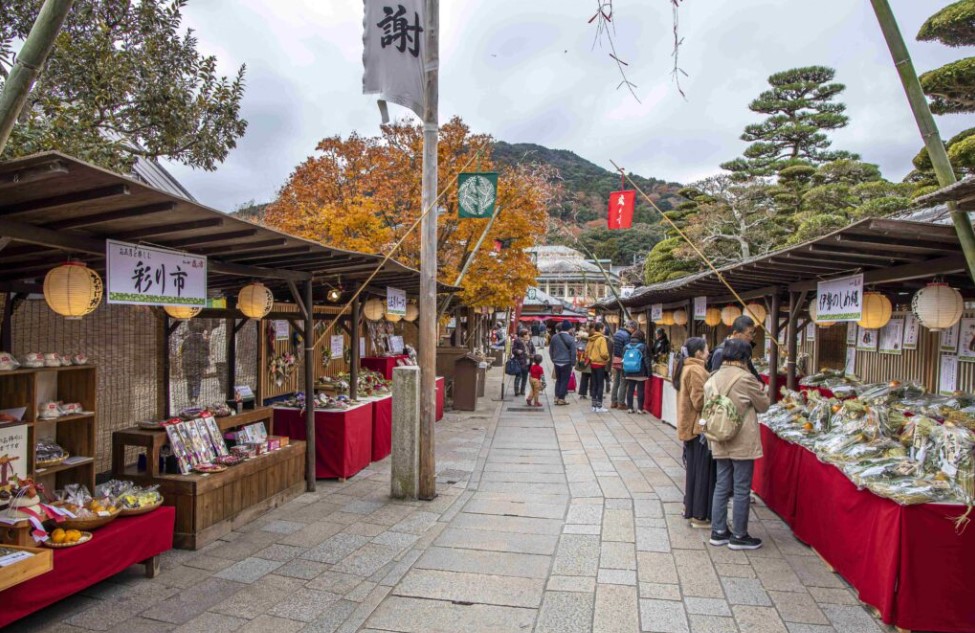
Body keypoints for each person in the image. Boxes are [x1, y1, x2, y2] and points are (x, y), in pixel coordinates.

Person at [705, 338, 770, 550]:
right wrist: (763, 390)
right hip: (741, 439)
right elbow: (764, 405)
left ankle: (719, 531)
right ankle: (739, 535)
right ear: (744, 358)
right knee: (741, 488)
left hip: (718, 436)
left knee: (722, 485)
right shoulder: (746, 379)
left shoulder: (713, 378)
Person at [674, 337, 714, 529]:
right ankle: (698, 514)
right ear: (698, 353)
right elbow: (699, 402)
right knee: (700, 472)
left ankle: (690, 508)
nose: (708, 352)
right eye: (706, 350)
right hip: (696, 427)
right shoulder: (696, 370)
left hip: (690, 426)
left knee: (693, 471)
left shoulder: (688, 367)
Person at [708, 315, 762, 380]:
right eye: (749, 334)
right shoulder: (720, 352)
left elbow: (752, 371)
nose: (751, 338)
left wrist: (760, 382)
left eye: (752, 334)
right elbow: (716, 380)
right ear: (735, 333)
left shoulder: (743, 350)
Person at [622, 330, 652, 413]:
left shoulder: (626, 346)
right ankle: (640, 409)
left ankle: (630, 408)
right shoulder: (643, 346)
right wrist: (649, 373)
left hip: (629, 371)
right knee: (640, 390)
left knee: (630, 390)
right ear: (641, 337)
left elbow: (623, 361)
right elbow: (647, 360)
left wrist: (623, 373)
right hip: (640, 372)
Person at [181, 321, 210, 405]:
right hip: (198, 363)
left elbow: (182, 350)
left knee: (189, 381)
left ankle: (190, 398)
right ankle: (195, 397)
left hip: (187, 363)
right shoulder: (204, 341)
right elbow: (207, 353)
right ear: (202, 331)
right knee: (197, 381)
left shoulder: (186, 339)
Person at [549, 320, 577, 406]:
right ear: (569, 329)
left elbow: (551, 350)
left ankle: (556, 397)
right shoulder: (571, 339)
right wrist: (573, 363)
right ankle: (561, 398)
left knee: (558, 380)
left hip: (557, 362)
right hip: (566, 362)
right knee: (565, 381)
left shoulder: (554, 337)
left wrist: (553, 359)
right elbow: (573, 352)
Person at [586, 322, 611, 413]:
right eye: (603, 328)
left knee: (594, 384)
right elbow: (604, 353)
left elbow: (587, 350)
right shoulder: (601, 339)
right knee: (600, 384)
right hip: (600, 363)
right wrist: (607, 358)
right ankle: (599, 406)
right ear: (600, 329)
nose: (604, 330)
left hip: (592, 363)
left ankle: (594, 406)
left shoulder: (591, 338)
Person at [611, 320, 636, 409]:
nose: (634, 331)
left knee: (616, 381)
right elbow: (627, 349)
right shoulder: (627, 336)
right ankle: (621, 403)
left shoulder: (617, 333)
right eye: (634, 329)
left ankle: (613, 402)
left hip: (616, 359)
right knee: (623, 382)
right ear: (631, 328)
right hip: (623, 360)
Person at [511, 329, 535, 396]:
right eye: (527, 334)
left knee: (525, 377)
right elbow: (513, 350)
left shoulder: (530, 341)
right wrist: (517, 351)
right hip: (519, 361)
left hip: (527, 362)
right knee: (518, 376)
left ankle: (522, 390)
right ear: (523, 335)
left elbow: (533, 350)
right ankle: (516, 391)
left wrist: (533, 355)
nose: (528, 335)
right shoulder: (517, 340)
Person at [576, 330, 591, 400]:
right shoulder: (589, 344)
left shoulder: (579, 344)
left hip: (582, 363)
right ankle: (592, 393)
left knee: (584, 379)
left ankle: (582, 393)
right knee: (592, 379)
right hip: (589, 364)